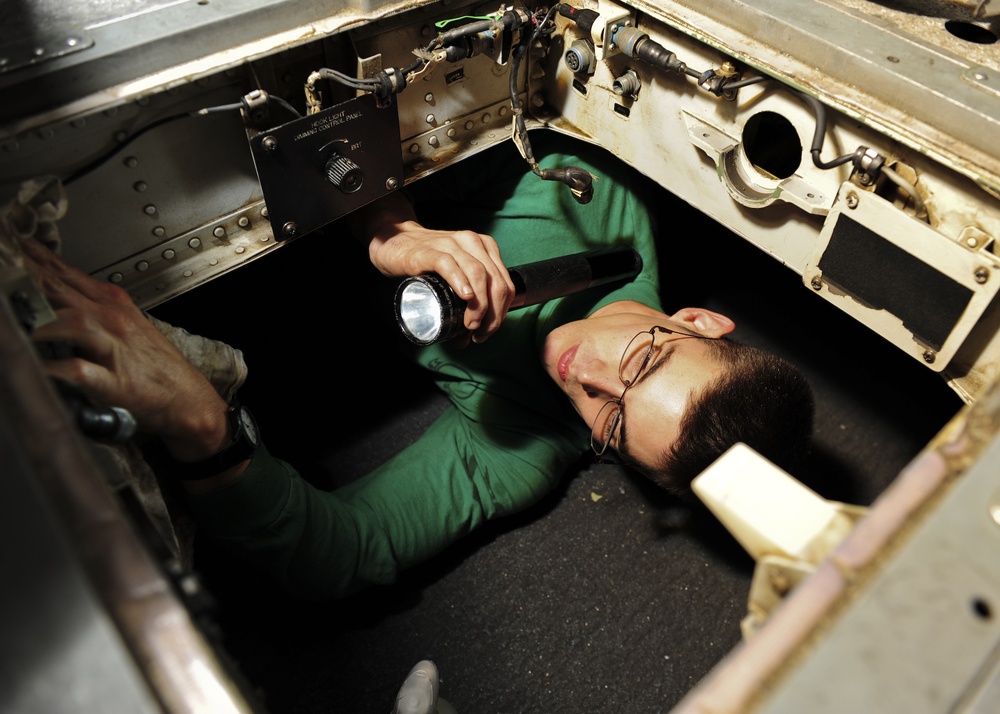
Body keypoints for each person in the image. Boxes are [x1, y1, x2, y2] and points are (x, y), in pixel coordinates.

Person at [23, 132, 814, 600]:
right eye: (643, 361)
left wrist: (203, 427)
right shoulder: (585, 200)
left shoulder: (534, 446)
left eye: (612, 422)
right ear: (697, 320)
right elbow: (375, 123)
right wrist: (391, 227)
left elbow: (345, 550)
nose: (585, 375)